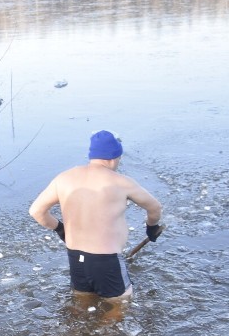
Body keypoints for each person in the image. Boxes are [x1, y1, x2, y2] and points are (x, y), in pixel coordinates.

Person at [29, 130, 162, 306]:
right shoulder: (121, 182)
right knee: (122, 303)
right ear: (114, 158)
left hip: (76, 258)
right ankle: (104, 330)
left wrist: (60, 229)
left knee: (81, 302)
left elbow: (36, 211)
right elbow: (155, 207)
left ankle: (77, 333)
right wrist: (152, 227)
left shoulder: (64, 178)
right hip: (106, 260)